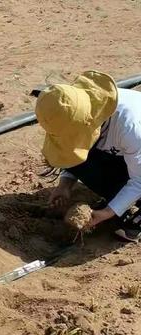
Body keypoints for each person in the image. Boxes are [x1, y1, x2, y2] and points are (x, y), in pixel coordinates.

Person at [35, 70, 141, 241]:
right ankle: (117, 198)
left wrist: (106, 213)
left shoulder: (131, 127)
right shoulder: (77, 115)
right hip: (123, 155)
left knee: (124, 214)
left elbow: (139, 180)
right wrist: (64, 186)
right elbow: (71, 151)